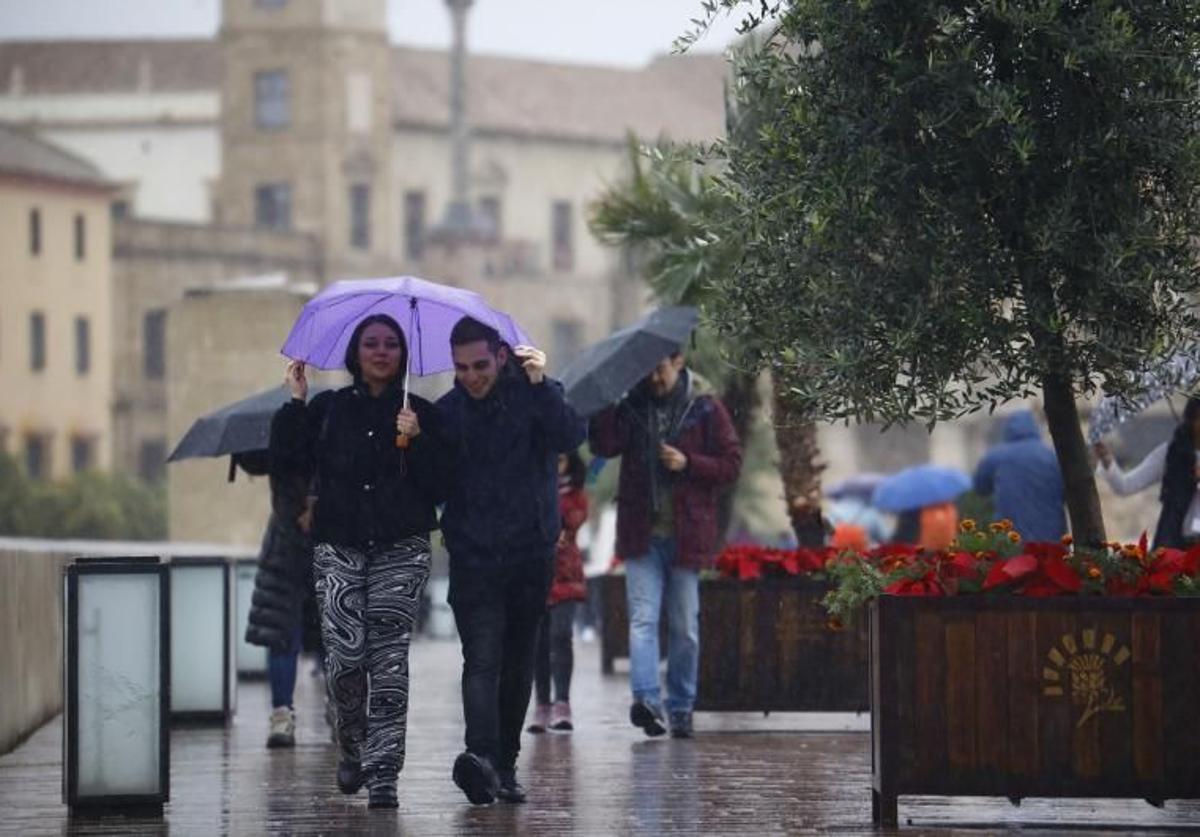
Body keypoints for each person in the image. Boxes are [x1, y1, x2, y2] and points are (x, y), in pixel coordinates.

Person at [270, 314, 445, 810]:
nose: (382, 351)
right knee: (345, 659)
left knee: (388, 662)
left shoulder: (420, 413)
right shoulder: (329, 409)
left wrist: (417, 439)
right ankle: (353, 743)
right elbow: (287, 459)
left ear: (403, 354)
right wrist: (296, 401)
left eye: (391, 343)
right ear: (356, 352)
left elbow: (443, 484)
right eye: (371, 343)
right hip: (339, 546)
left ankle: (385, 771)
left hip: (402, 547)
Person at [435, 317, 585, 805]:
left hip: (529, 555)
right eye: (461, 368)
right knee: (481, 659)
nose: (472, 376)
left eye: (480, 365)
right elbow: (427, 481)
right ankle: (478, 758)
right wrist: (412, 438)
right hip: (474, 556)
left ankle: (505, 763)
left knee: (518, 663)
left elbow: (569, 435)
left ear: (502, 357)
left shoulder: (537, 394)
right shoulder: (447, 413)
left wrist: (541, 385)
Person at [588, 352, 742, 739]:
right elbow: (603, 445)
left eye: (660, 368)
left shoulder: (705, 407)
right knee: (643, 620)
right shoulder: (632, 404)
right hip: (641, 535)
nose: (653, 377)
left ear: (679, 361)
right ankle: (647, 701)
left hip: (688, 536)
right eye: (647, 369)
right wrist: (608, 397)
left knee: (684, 625)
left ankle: (681, 706)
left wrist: (689, 462)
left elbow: (731, 463)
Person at [239, 448, 319, 749]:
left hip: (321, 546)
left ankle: (336, 710)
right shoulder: (286, 431)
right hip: (288, 550)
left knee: (332, 637)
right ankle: (282, 713)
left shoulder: (326, 426)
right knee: (283, 636)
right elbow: (255, 461)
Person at [527, 451, 589, 734]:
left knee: (561, 636)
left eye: (562, 460)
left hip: (566, 574)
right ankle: (542, 703)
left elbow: (576, 517)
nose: (556, 464)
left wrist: (557, 522)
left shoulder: (574, 493)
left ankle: (562, 701)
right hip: (537, 571)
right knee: (538, 641)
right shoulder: (532, 485)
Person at [1095, 397, 1200, 549]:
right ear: (1190, 420)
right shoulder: (1171, 454)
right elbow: (1125, 486)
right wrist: (1107, 460)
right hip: (1177, 547)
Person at [973, 410, 1066, 542]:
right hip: (1051, 534)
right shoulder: (1052, 456)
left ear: (1007, 429)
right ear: (1035, 427)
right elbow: (1066, 492)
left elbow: (980, 488)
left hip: (1011, 537)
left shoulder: (995, 456)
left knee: (1014, 561)